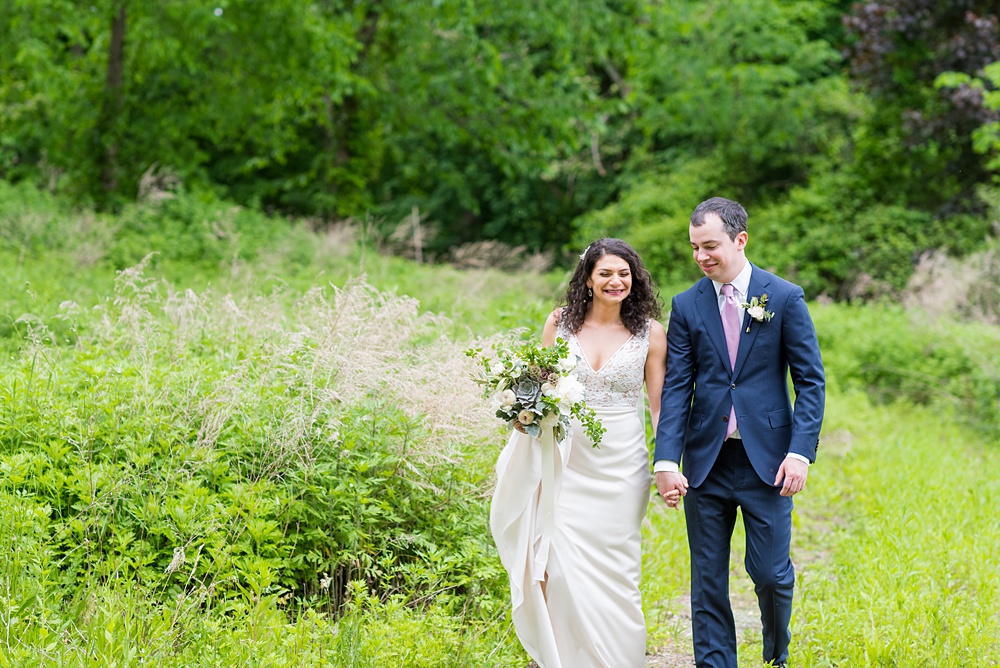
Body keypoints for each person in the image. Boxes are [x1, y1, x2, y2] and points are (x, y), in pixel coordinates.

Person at [654, 197, 825, 668]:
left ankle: (775, 658)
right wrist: (666, 460)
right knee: (707, 579)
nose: (701, 256)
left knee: (770, 575)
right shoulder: (687, 305)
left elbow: (810, 381)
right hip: (705, 463)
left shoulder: (784, 297)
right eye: (694, 248)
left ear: (740, 239)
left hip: (767, 461)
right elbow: (676, 389)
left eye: (710, 245)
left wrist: (800, 452)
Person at [490, 238, 671, 668]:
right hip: (566, 459)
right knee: (561, 562)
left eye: (624, 273)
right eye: (606, 273)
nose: (616, 281)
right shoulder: (559, 324)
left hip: (623, 464)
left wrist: (667, 462)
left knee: (618, 569)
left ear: (635, 279)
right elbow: (539, 387)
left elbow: (660, 405)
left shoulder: (651, 333)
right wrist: (523, 412)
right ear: (588, 279)